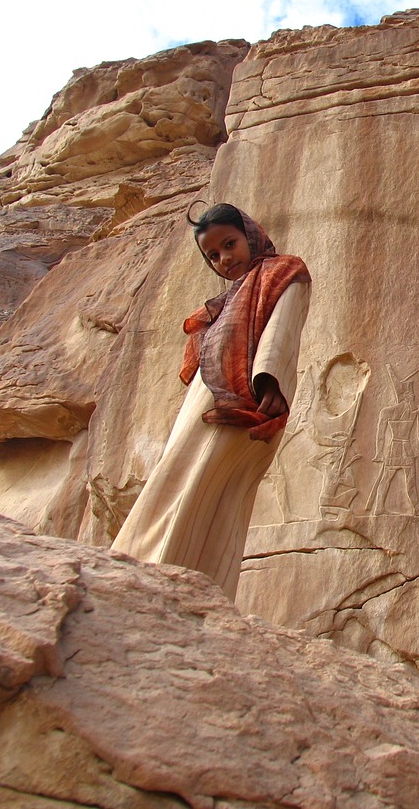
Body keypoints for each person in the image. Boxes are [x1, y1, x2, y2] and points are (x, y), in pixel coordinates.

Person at [111, 202, 310, 599]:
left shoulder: (283, 272)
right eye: (213, 255)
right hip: (206, 402)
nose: (224, 259)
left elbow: (282, 329)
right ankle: (143, 570)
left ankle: (185, 586)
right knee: (176, 478)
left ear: (251, 235)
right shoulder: (227, 301)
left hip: (248, 400)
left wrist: (270, 384)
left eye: (230, 244)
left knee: (214, 492)